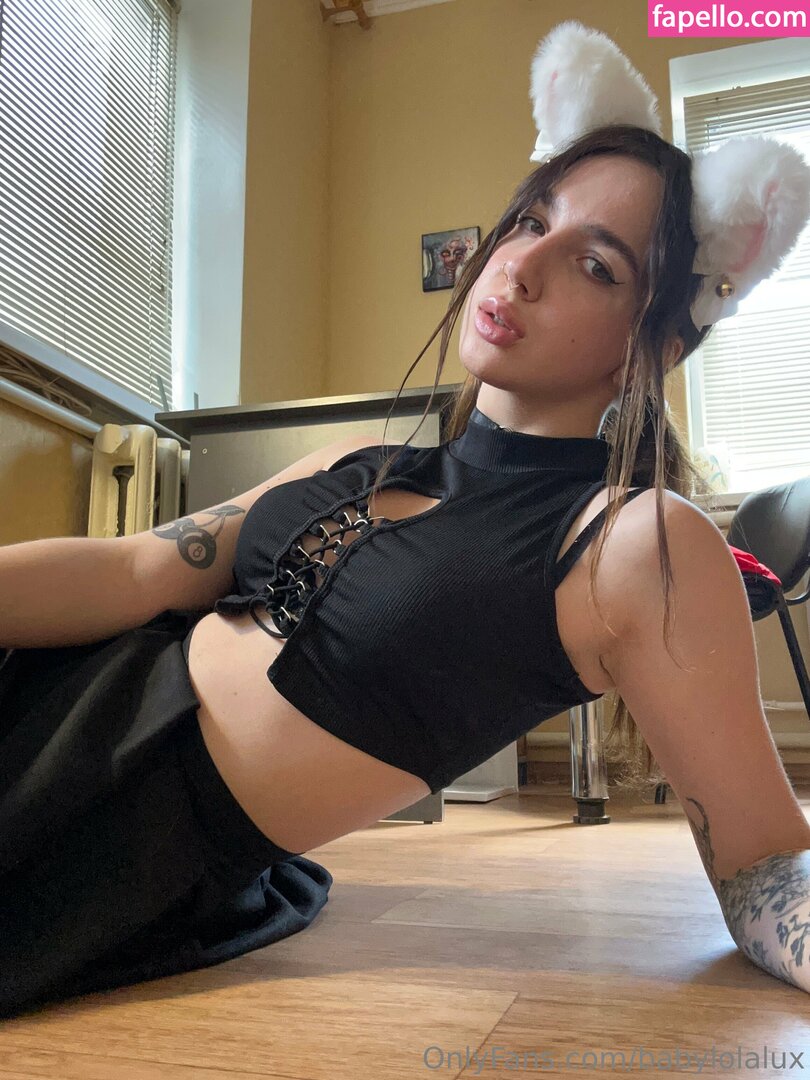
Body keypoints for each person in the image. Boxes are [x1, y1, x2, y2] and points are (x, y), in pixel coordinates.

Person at [3, 21, 810, 1016]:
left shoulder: (632, 543)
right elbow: (134, 570)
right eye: (531, 221)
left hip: (115, 838)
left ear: (656, 347)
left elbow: (763, 859)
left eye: (597, 266)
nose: (522, 266)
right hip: (55, 699)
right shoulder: (357, 459)